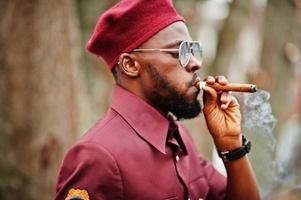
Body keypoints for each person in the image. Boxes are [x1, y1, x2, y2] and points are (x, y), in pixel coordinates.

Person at [55, 0, 260, 199]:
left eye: (193, 50)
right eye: (180, 51)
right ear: (131, 65)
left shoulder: (179, 137)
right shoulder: (97, 156)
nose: (196, 63)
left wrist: (231, 144)